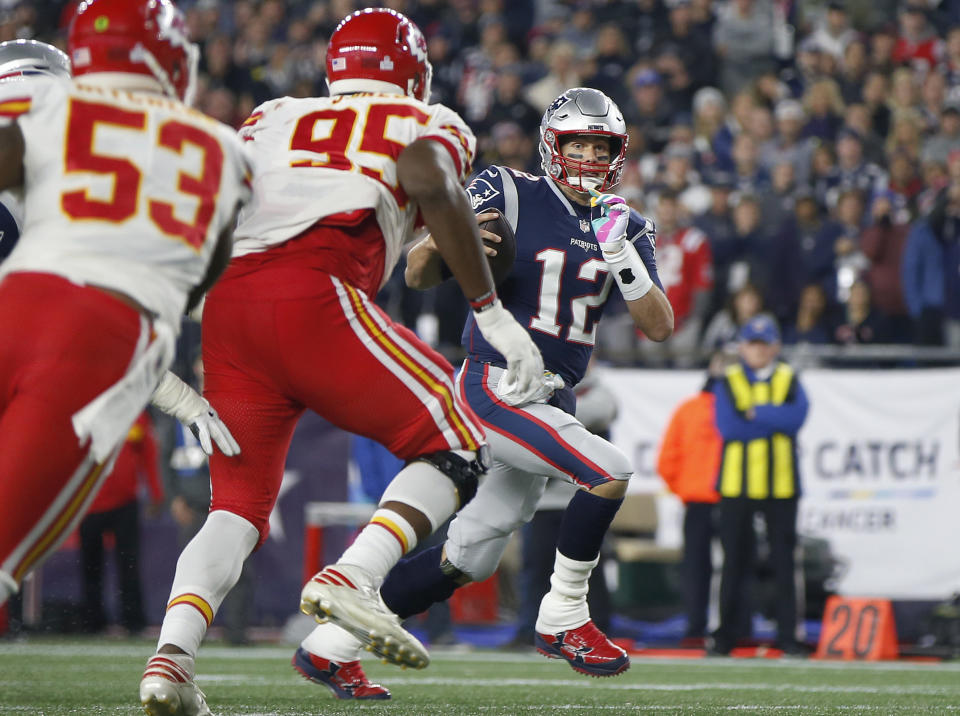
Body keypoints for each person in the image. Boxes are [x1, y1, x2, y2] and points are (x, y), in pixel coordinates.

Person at [141, 8, 546, 712]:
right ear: (414, 74)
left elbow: (217, 199)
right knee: (457, 438)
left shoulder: (270, 116)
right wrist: (492, 310)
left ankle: (170, 659)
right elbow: (424, 173)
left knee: (235, 507)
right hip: (314, 287)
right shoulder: (434, 122)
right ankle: (355, 576)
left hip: (230, 304)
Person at [298, 86, 674, 691]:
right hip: (494, 383)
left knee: (468, 559)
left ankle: (328, 647)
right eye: (578, 144)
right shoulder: (510, 192)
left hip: (552, 395)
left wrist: (623, 258)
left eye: (600, 147)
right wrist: (458, 242)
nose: (589, 158)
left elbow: (658, 326)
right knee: (609, 470)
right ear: (553, 146)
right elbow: (418, 273)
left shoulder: (627, 223)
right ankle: (564, 616)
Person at [0, 0, 249, 627]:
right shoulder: (216, 146)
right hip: (97, 339)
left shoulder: (42, 123)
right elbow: (161, 298)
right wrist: (186, 399)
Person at [708, 315, 810, 657]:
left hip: (782, 485)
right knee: (733, 562)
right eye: (753, 344)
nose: (759, 350)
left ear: (776, 347)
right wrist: (774, 419)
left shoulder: (789, 377)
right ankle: (725, 637)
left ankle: (788, 638)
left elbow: (796, 419)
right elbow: (729, 428)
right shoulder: (730, 379)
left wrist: (756, 412)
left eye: (765, 344)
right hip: (736, 485)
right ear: (743, 347)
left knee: (784, 565)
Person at [656, 355, 724, 642]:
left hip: (696, 499)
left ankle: (695, 629)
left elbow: (667, 460)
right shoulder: (742, 409)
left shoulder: (688, 410)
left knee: (695, 567)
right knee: (736, 567)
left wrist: (683, 489)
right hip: (732, 499)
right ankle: (735, 629)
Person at [78, 411, 163, 635]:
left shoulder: (135, 411)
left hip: (125, 501)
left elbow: (148, 453)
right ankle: (93, 621)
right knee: (91, 565)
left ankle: (133, 621)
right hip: (89, 502)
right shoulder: (86, 408)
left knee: (129, 563)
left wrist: (156, 492)